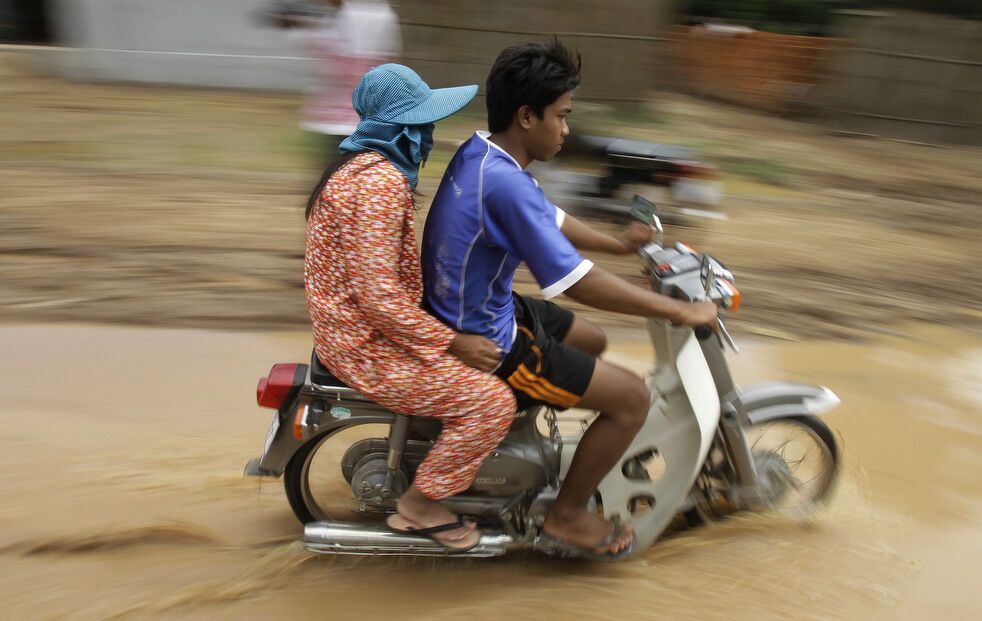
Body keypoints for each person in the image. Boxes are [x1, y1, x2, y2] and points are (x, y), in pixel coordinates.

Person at [421, 40, 718, 559]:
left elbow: (547, 216)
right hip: (488, 338)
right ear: (527, 116)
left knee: (592, 338)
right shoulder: (504, 184)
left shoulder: (483, 153)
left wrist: (619, 244)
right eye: (561, 116)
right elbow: (576, 282)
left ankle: (533, 441)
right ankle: (567, 514)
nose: (566, 129)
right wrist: (679, 309)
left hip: (480, 306)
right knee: (631, 399)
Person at [304, 64, 516, 551]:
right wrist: (452, 340)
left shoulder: (358, 168)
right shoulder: (380, 186)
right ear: (400, 128)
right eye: (422, 123)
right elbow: (378, 298)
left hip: (357, 332)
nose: (430, 134)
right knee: (492, 402)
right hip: (367, 346)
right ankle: (420, 504)